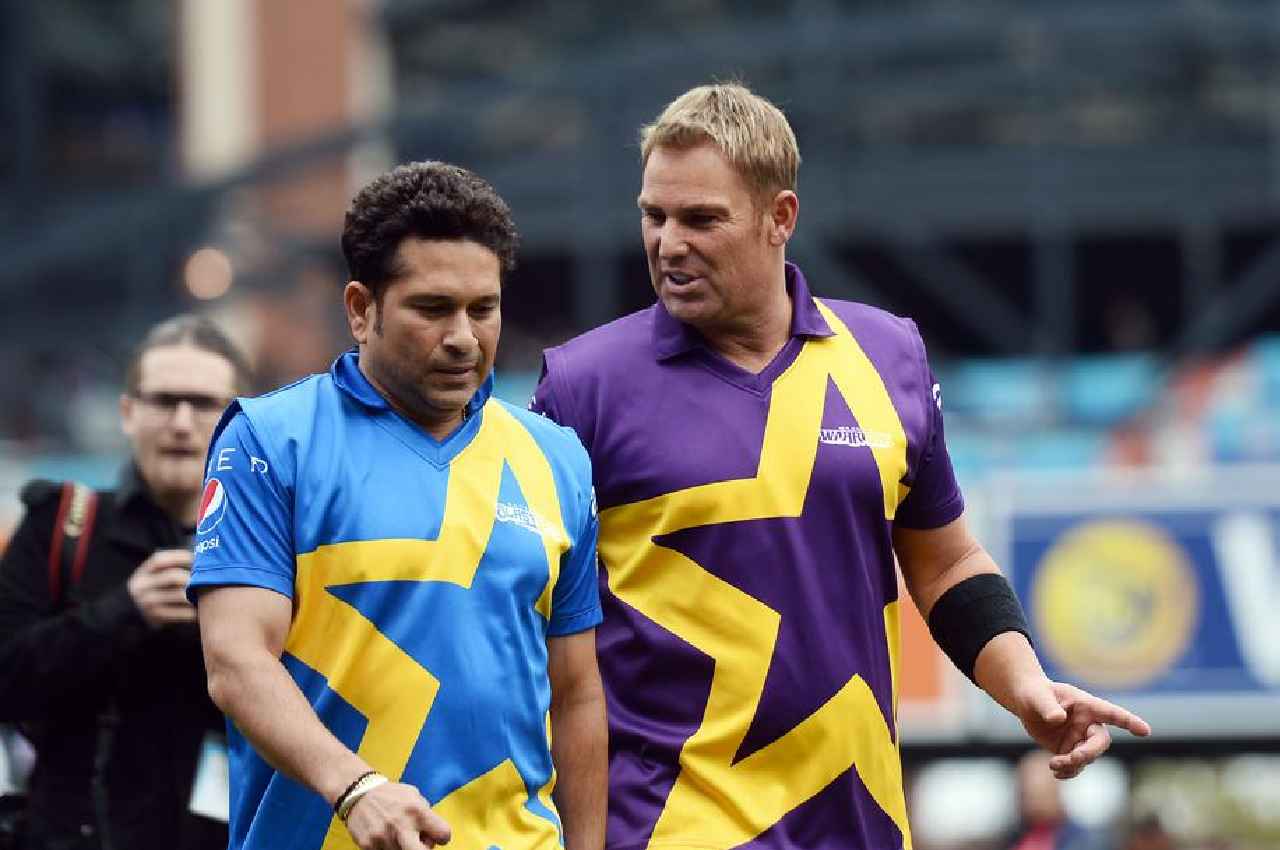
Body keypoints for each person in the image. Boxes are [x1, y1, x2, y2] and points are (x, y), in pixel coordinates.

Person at [530, 82, 1152, 850]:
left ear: (780, 217)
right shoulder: (583, 387)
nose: (668, 242)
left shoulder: (890, 357)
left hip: (858, 825)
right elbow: (536, 627)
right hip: (665, 828)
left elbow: (946, 561)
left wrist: (1025, 687)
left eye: (701, 219)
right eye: (653, 216)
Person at [189, 161, 607, 850]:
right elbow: (236, 661)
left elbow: (576, 692)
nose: (464, 337)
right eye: (433, 309)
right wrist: (354, 788)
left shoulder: (557, 459)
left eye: (483, 309)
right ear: (361, 309)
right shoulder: (269, 442)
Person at [0, 314, 252, 850]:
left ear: (241, 419)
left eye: (204, 403)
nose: (181, 423)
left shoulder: (273, 547)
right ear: (127, 412)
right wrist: (122, 612)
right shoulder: (61, 525)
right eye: (163, 401)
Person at [1004, 751, 1112, 850]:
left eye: (1042, 792)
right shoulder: (1010, 838)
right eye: (1026, 793)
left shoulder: (1087, 842)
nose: (1033, 802)